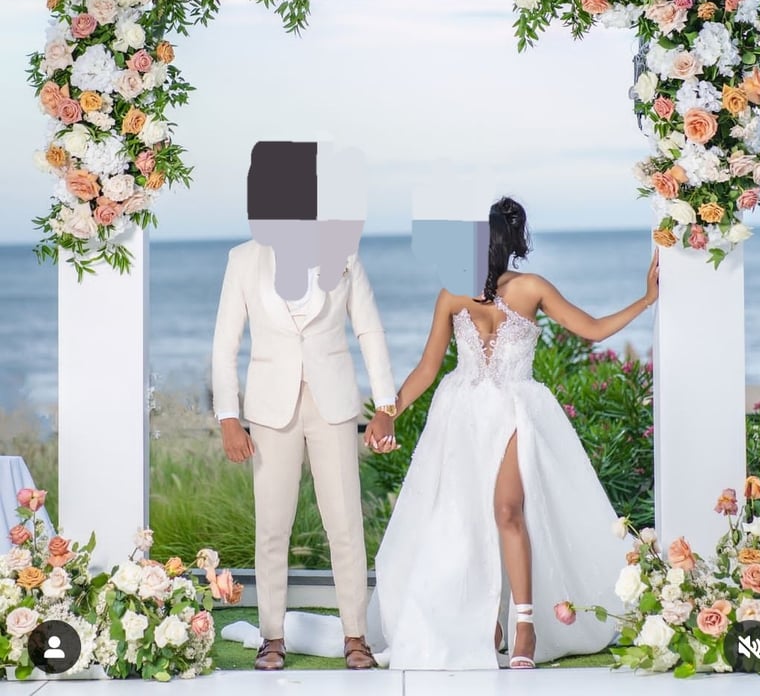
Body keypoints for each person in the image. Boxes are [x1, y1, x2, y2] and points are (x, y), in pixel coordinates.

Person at [364, 196, 659, 670]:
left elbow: (594, 329)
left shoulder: (532, 287)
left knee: (507, 510)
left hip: (517, 409)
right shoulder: (452, 294)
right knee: (463, 520)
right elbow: (427, 367)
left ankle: (525, 625)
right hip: (460, 413)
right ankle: (487, 623)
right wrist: (388, 412)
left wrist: (647, 299)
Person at [212, 141, 398, 671]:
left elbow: (370, 330)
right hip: (270, 412)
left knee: (345, 525)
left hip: (335, 406)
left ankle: (356, 636)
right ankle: (272, 637)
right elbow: (225, 344)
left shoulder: (344, 256)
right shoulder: (243, 260)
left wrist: (384, 405)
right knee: (272, 527)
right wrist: (229, 417)